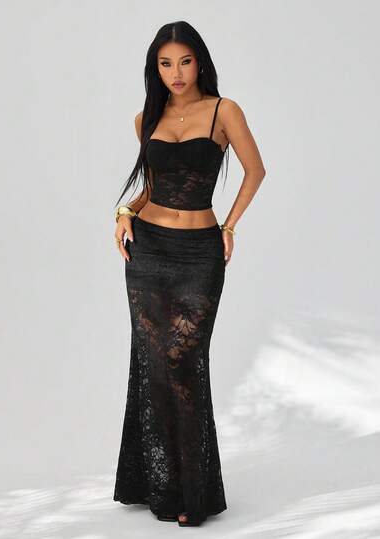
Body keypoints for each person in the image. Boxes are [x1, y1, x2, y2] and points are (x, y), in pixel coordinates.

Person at [112, 21, 266, 527]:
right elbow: (152, 187)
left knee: (183, 361)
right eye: (165, 64)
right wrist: (124, 212)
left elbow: (255, 170)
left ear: (199, 62)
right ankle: (161, 486)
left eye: (184, 61)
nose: (175, 73)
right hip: (148, 251)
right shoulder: (146, 119)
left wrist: (229, 225)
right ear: (154, 69)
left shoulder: (224, 111)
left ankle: (193, 492)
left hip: (198, 253)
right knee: (154, 366)